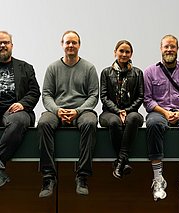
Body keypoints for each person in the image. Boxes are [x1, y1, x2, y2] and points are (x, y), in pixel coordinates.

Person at [37, 30, 99, 198]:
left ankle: (82, 175)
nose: (71, 45)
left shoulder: (89, 68)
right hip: (57, 110)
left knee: (90, 122)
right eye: (68, 42)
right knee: (43, 123)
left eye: (74, 42)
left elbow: (94, 96)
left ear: (79, 45)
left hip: (81, 111)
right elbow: (47, 94)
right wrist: (57, 110)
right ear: (62, 44)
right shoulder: (53, 68)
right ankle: (49, 177)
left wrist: (77, 111)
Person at [144, 34, 179, 202]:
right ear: (161, 49)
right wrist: (165, 113)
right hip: (159, 112)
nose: (169, 49)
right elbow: (147, 99)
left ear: (177, 49)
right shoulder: (149, 72)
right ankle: (158, 179)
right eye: (166, 47)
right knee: (153, 123)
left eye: (172, 46)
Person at [0, 31, 40, 187]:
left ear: (12, 45)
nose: (2, 45)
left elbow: (34, 91)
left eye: (6, 42)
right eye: (0, 43)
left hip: (14, 110)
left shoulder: (25, 67)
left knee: (19, 120)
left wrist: (23, 104)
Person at [99, 40, 144, 179]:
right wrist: (118, 111)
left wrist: (127, 111)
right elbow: (104, 96)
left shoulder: (137, 73)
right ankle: (124, 161)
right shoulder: (106, 72)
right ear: (115, 52)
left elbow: (141, 96)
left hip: (131, 112)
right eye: (121, 51)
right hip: (109, 113)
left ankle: (120, 162)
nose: (124, 54)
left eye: (127, 52)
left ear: (131, 54)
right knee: (114, 122)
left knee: (134, 118)